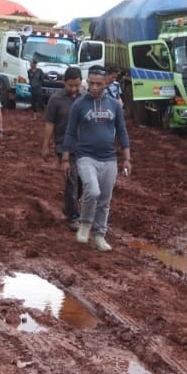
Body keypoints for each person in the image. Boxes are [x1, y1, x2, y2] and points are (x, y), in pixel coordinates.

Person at [62, 66, 131, 251]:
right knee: (92, 191)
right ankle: (85, 224)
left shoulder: (114, 105)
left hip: (109, 158)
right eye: (91, 83)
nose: (93, 87)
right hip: (85, 156)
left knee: (104, 200)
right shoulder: (79, 105)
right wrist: (65, 159)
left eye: (98, 84)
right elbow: (70, 132)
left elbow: (122, 132)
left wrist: (127, 158)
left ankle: (100, 235)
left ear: (105, 83)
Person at [42, 67, 84, 229]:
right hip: (64, 147)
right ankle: (73, 216)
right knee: (71, 181)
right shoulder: (55, 100)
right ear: (64, 82)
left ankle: (69, 206)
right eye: (70, 85)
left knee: (83, 183)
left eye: (77, 85)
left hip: (84, 148)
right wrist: (45, 146)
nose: (74, 89)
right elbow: (49, 124)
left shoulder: (85, 99)